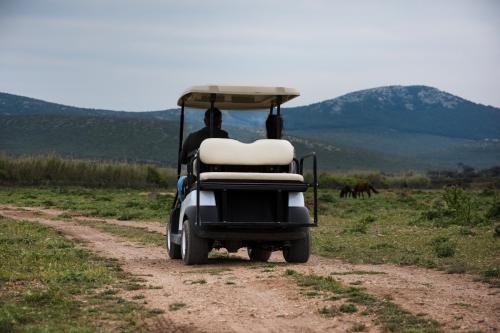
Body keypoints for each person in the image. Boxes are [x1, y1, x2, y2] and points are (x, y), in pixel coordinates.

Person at [177, 108, 228, 201]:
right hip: (220, 177)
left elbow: (182, 160)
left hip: (196, 178)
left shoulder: (192, 137)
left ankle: (182, 205)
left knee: (180, 182)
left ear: (205, 121)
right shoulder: (224, 136)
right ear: (220, 122)